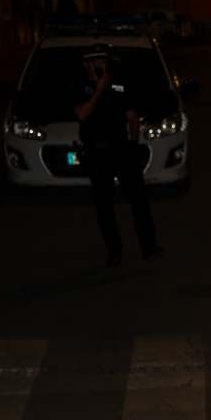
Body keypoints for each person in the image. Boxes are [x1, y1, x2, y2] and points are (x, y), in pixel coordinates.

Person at [75, 44, 160, 267]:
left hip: (122, 149)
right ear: (86, 64)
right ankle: (114, 251)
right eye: (93, 60)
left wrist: (133, 143)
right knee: (104, 206)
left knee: (139, 200)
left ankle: (149, 247)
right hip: (97, 152)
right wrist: (98, 89)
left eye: (101, 59)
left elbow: (132, 115)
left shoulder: (120, 82)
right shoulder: (80, 86)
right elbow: (82, 114)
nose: (98, 64)